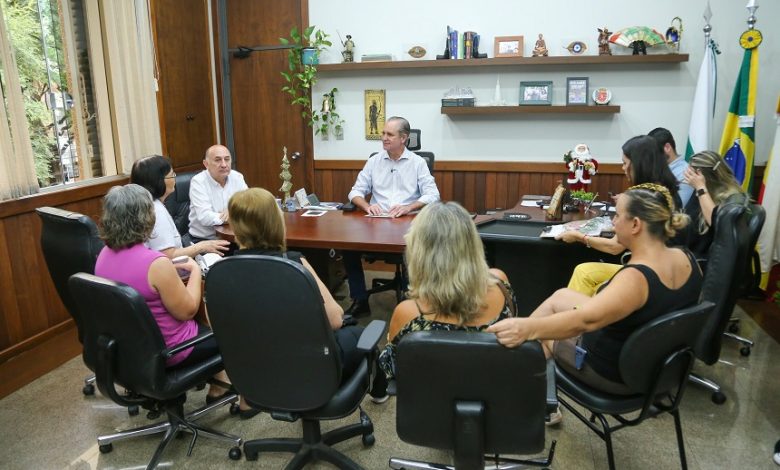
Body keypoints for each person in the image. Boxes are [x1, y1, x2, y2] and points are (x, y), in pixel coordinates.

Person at [488, 184, 702, 401]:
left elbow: (585, 322)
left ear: (636, 224)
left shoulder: (636, 278)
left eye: (617, 216)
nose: (613, 222)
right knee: (561, 297)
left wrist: (526, 328)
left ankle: (516, 395)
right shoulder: (686, 258)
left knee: (541, 339)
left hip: (616, 373)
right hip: (655, 364)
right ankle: (512, 379)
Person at [94, 184, 232, 404]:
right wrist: (195, 271)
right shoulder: (156, 264)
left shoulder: (103, 255)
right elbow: (187, 310)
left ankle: (218, 383)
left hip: (129, 350)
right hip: (173, 351)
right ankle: (229, 389)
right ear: (145, 217)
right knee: (226, 323)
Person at [371, 201, 517, 402]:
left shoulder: (409, 312)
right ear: (472, 245)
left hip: (433, 411)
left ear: (418, 252)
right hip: (496, 400)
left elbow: (395, 370)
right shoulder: (500, 282)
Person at [228, 188, 365, 379]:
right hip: (308, 366)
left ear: (233, 225)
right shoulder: (293, 263)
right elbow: (335, 320)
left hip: (253, 371)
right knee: (361, 335)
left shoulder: (221, 270)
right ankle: (378, 390)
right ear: (276, 221)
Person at [561, 135, 686, 295]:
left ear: (639, 165)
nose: (622, 168)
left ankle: (577, 315)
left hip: (652, 272)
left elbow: (614, 247)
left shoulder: (643, 197)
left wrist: (578, 236)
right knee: (584, 273)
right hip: (666, 266)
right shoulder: (665, 190)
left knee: (583, 273)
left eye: (625, 163)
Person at [343, 116, 440, 316]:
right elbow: (354, 193)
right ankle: (360, 300)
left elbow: (433, 195)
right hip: (376, 224)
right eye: (383, 133)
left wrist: (408, 207)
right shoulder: (374, 161)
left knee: (414, 247)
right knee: (348, 246)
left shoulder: (418, 163)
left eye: (389, 134)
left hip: (406, 224)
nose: (384, 138)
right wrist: (367, 206)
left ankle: (410, 302)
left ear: (403, 138)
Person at [130, 155, 229, 258]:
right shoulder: (156, 212)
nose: (175, 179)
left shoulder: (142, 204)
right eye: (172, 175)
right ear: (158, 181)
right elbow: (167, 255)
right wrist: (201, 247)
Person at [683, 150, 749, 257]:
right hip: (687, 251)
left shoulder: (731, 199)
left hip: (699, 259)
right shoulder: (703, 192)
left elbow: (718, 224)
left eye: (691, 174)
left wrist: (700, 188)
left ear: (702, 176)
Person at [188, 144, 248, 243]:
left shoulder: (237, 177)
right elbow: (205, 217)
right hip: (206, 240)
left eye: (227, 159)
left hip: (236, 237)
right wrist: (234, 213)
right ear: (206, 164)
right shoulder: (198, 182)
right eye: (218, 160)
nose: (224, 164)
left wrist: (231, 211)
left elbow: (249, 205)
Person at [648, 127, 694, 208]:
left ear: (667, 147)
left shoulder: (685, 173)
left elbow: (678, 208)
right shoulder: (658, 170)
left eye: (654, 152)